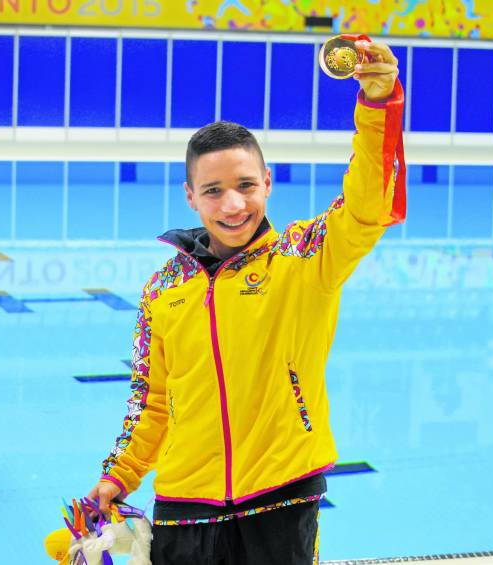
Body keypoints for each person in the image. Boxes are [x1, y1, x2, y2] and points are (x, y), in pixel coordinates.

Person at [87, 38, 405, 564]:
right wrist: (119, 475)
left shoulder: (304, 258)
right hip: (185, 505)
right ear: (190, 196)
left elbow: (369, 206)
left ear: (269, 184)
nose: (233, 205)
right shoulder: (163, 288)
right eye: (213, 190)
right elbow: (152, 401)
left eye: (246, 185)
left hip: (280, 498)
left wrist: (378, 105)